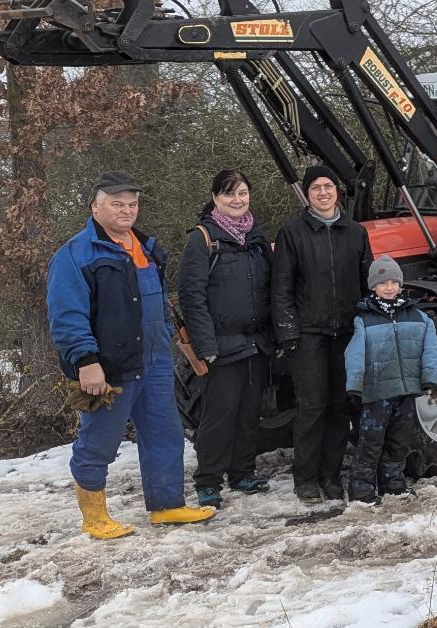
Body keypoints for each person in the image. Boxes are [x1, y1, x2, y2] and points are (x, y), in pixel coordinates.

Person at [47, 171, 215, 539]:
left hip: (155, 361)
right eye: (117, 204)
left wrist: (170, 336)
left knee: (165, 434)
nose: (127, 210)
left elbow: (159, 303)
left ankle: (167, 505)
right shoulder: (75, 254)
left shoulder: (147, 247)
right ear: (95, 207)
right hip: (109, 366)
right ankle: (94, 516)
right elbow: (66, 315)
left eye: (132, 204)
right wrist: (86, 362)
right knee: (99, 440)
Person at [272, 165, 373, 503]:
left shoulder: (356, 233)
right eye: (315, 187)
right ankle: (305, 478)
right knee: (312, 405)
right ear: (307, 194)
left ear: (336, 191)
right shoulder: (292, 232)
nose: (323, 192)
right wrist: (288, 331)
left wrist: (367, 326)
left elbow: (367, 284)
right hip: (308, 334)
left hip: (346, 332)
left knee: (340, 405)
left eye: (328, 186)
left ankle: (330, 476)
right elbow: (281, 287)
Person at [176, 168, 276, 508]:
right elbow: (192, 296)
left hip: (257, 342)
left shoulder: (256, 238)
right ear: (215, 198)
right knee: (218, 414)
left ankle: (242, 472)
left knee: (249, 412)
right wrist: (206, 345)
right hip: (221, 345)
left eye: (242, 192)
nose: (237, 199)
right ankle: (208, 480)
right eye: (229, 193)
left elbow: (271, 287)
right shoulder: (203, 239)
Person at [343, 257, 437, 503]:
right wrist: (355, 385)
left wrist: (429, 378)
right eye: (383, 283)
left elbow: (430, 350)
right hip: (377, 394)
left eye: (394, 282)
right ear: (373, 287)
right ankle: (362, 492)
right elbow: (355, 354)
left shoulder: (419, 317)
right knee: (371, 443)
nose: (389, 287)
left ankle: (393, 485)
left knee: (399, 442)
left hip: (405, 392)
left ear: (400, 284)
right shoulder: (364, 320)